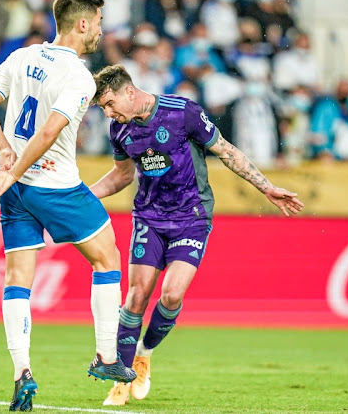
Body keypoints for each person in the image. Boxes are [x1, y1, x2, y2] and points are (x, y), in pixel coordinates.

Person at [89, 64, 304, 406]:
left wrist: (267, 187)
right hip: (149, 217)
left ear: (129, 91)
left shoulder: (183, 112)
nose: (109, 112)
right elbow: (121, 176)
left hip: (192, 215)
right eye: (103, 108)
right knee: (135, 297)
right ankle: (122, 377)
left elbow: (227, 151)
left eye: (110, 103)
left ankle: (144, 354)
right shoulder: (120, 130)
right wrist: (85, 195)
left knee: (172, 296)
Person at [0, 0, 136, 411]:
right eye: (97, 21)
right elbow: (47, 134)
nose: (100, 28)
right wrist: (14, 170)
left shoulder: (24, 56)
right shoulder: (80, 77)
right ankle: (107, 357)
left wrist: (5, 153)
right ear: (81, 24)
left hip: (17, 189)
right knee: (107, 257)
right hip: (53, 185)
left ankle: (22, 371)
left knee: (17, 278)